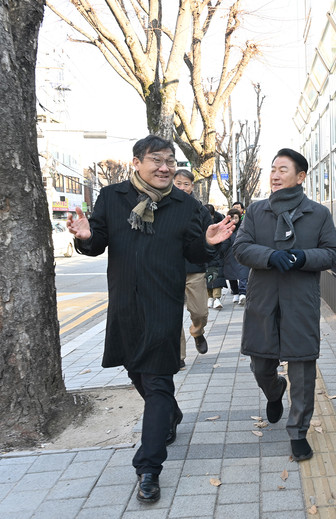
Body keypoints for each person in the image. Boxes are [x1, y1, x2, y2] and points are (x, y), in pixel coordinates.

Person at [66, 135, 234, 503]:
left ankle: (148, 468)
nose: (164, 167)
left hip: (163, 306)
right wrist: (85, 237)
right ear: (137, 163)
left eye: (170, 161)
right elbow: (96, 244)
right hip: (125, 305)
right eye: (156, 160)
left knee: (158, 382)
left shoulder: (186, 205)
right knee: (136, 373)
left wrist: (208, 241)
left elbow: (194, 252)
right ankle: (170, 414)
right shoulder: (112, 197)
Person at [234, 148, 336, 461]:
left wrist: (303, 257)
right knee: (260, 365)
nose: (275, 175)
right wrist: (270, 256)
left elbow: (332, 253)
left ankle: (298, 432)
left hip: (300, 303)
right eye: (273, 169)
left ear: (300, 176)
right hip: (263, 300)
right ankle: (274, 390)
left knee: (303, 371)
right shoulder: (256, 211)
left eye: (283, 169)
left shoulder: (318, 214)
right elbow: (241, 247)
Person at [173, 169, 210, 368]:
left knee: (200, 312)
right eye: (178, 183)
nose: (182, 187)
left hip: (195, 269)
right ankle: (178, 355)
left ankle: (197, 332)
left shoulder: (200, 210)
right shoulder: (161, 207)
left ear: (192, 187)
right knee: (173, 315)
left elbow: (209, 239)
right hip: (170, 269)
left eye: (186, 184)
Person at [223, 208, 249, 305]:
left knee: (243, 273)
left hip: (242, 253)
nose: (234, 220)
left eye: (236, 218)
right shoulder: (225, 228)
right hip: (229, 254)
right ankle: (235, 292)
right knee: (231, 274)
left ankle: (243, 292)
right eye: (232, 218)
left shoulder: (244, 227)